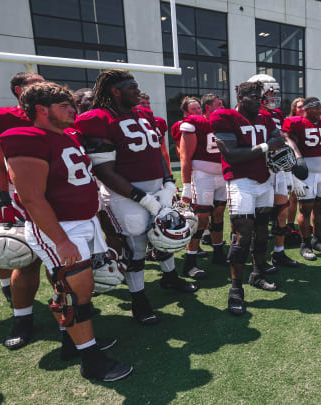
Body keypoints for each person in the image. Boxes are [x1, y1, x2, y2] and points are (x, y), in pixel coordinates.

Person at [1, 81, 132, 381]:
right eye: (65, 106)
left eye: (72, 105)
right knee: (74, 295)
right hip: (60, 229)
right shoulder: (25, 138)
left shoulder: (66, 136)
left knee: (80, 292)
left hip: (82, 224)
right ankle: (91, 362)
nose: (73, 110)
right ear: (41, 110)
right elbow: (32, 198)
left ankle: (72, 344)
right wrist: (60, 240)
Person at [76, 69, 197, 326]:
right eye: (131, 86)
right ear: (115, 91)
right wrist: (142, 198)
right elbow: (104, 170)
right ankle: (139, 299)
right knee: (136, 248)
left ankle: (169, 277)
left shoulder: (143, 115)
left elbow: (157, 154)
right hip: (125, 195)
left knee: (164, 235)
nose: (137, 91)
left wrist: (167, 183)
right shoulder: (97, 119)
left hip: (156, 188)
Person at [211, 80, 284, 315]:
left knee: (263, 231)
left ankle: (258, 273)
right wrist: (265, 147)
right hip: (240, 182)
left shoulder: (266, 118)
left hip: (265, 180)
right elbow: (232, 155)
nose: (259, 101)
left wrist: (273, 147)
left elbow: (279, 140)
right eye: (254, 97)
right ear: (241, 98)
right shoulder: (224, 117)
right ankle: (235, 290)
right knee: (242, 236)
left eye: (260, 96)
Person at [0, 72, 44, 350]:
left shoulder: (52, 114)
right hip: (18, 195)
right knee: (20, 256)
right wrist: (1, 199)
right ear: (19, 90)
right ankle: (22, 317)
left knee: (64, 261)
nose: (45, 87)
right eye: (37, 83)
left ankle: (69, 310)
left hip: (54, 194)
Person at [247, 74, 299, 268]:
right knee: (257, 216)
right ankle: (254, 255)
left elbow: (283, 139)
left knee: (282, 210)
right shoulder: (247, 113)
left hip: (277, 169)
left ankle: (279, 252)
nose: (273, 97)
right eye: (269, 93)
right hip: (257, 169)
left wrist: (290, 167)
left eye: (273, 93)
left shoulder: (276, 114)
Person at [178, 93, 227, 279]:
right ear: (208, 107)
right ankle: (190, 261)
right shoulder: (194, 123)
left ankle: (218, 253)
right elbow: (185, 156)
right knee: (201, 218)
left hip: (222, 176)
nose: (223, 106)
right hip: (202, 175)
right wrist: (187, 186)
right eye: (219, 104)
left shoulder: (224, 123)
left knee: (219, 215)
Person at [282, 97, 321, 260]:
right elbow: (288, 139)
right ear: (306, 109)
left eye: (320, 107)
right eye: (315, 108)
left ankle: (317, 240)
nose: (319, 111)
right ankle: (304, 244)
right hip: (306, 173)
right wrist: (298, 160)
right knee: (305, 208)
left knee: (320, 208)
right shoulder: (296, 122)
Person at [285, 97, 306, 245]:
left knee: (306, 197)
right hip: (293, 162)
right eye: (299, 107)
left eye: (304, 106)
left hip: (310, 162)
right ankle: (290, 224)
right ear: (294, 109)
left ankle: (303, 225)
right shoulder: (290, 122)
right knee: (294, 195)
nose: (302, 109)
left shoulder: (312, 123)